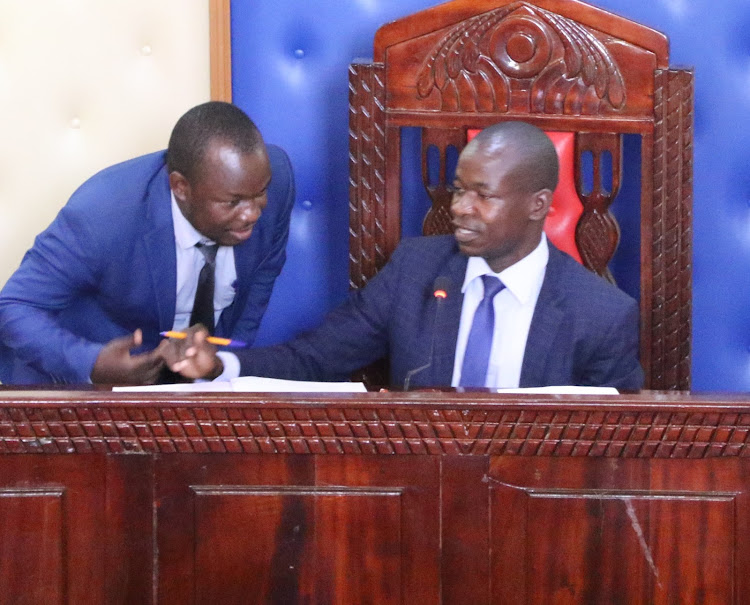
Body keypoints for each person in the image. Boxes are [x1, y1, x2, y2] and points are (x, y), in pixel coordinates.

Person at [167, 121, 643, 390]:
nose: (459, 208)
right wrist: (219, 366)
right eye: (458, 190)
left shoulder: (600, 315)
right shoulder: (415, 270)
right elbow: (314, 358)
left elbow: (617, 456)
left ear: (538, 204)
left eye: (483, 195)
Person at [0, 101, 295, 384]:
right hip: (95, 386)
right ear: (181, 187)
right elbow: (14, 306)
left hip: (198, 384)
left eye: (259, 194)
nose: (253, 212)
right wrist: (92, 364)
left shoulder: (271, 177)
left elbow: (261, 278)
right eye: (233, 202)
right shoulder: (103, 215)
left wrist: (223, 362)